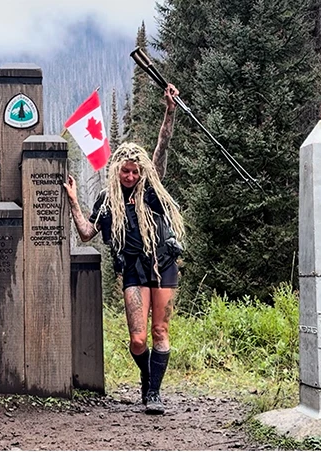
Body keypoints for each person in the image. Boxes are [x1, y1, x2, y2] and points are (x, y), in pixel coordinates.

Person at [64, 84, 185, 415]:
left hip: (164, 265)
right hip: (131, 270)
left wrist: (169, 111)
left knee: (161, 330)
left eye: (135, 171)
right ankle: (147, 382)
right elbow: (88, 233)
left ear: (142, 171)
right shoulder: (107, 200)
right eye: (125, 170)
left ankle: (153, 394)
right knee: (137, 339)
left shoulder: (151, 190)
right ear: (116, 169)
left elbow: (162, 146)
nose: (130, 175)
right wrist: (75, 202)